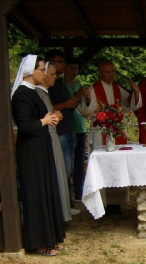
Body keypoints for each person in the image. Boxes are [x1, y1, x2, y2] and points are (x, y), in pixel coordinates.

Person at [11, 54, 65, 256]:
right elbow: (24, 125)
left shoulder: (33, 92)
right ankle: (39, 243)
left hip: (41, 147)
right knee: (35, 194)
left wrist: (51, 119)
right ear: (30, 71)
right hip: (30, 152)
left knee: (47, 190)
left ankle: (51, 237)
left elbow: (40, 118)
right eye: (41, 69)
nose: (44, 73)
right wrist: (43, 121)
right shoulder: (22, 94)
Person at [46, 49, 93, 214]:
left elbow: (73, 104)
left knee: (72, 167)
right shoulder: (49, 85)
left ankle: (69, 202)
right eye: (61, 62)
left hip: (70, 129)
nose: (65, 65)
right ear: (50, 64)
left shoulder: (57, 83)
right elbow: (45, 107)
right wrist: (65, 105)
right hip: (59, 131)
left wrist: (81, 98)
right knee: (64, 169)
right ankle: (63, 206)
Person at [36, 62, 72, 224]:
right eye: (52, 74)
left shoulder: (46, 93)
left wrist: (55, 115)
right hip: (47, 139)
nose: (55, 77)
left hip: (53, 136)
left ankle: (61, 215)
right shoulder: (38, 93)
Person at [88, 60, 141, 145]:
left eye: (113, 71)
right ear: (100, 73)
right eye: (107, 72)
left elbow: (130, 103)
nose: (111, 75)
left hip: (116, 128)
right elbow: (85, 111)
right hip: (100, 130)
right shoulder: (93, 90)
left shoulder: (117, 89)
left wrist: (137, 93)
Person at [63, 57, 90, 203]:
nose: (74, 72)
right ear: (66, 69)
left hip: (80, 127)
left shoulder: (79, 85)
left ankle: (79, 192)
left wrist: (87, 98)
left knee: (80, 163)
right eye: (71, 68)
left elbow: (86, 106)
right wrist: (79, 94)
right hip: (69, 129)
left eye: (76, 69)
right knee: (69, 164)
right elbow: (71, 102)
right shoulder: (62, 86)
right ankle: (68, 195)